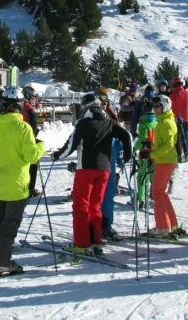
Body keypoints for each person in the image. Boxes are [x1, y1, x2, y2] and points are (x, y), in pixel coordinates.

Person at [0, 87, 44, 278]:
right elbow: (31, 156)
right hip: (16, 184)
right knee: (9, 225)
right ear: (20, 106)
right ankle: (1, 263)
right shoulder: (23, 127)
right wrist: (41, 145)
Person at [52, 92, 132, 254]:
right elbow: (127, 136)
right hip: (105, 170)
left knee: (81, 206)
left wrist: (56, 156)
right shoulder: (109, 122)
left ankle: (81, 244)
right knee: (95, 206)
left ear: (85, 107)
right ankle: (96, 240)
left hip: (86, 169)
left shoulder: (83, 123)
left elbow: (70, 146)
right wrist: (127, 155)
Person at [141, 95, 181, 236]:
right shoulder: (162, 121)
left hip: (166, 160)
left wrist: (151, 155)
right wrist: (148, 145)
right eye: (154, 107)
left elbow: (169, 146)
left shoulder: (166, 123)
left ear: (165, 106)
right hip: (163, 160)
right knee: (161, 193)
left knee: (156, 193)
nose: (155, 109)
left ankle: (163, 227)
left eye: (158, 106)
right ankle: (172, 224)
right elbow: (157, 138)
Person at [101, 134, 126, 241]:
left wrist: (121, 162)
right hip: (107, 170)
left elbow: (121, 150)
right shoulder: (114, 133)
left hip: (103, 170)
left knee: (105, 199)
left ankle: (105, 226)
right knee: (106, 198)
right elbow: (121, 150)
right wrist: (121, 162)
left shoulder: (114, 134)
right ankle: (103, 226)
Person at [133, 102, 157, 210]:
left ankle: (140, 199)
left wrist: (135, 148)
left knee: (142, 176)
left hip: (144, 153)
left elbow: (142, 139)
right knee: (153, 176)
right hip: (155, 153)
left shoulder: (143, 123)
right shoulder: (157, 122)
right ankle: (154, 197)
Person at [21, 85, 41, 196]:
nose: (34, 100)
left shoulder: (19, 105)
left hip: (18, 138)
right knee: (33, 164)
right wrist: (35, 134)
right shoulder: (28, 107)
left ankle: (22, 186)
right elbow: (33, 124)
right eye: (33, 97)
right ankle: (30, 188)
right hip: (28, 138)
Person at [169, 78, 188, 163]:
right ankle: (187, 153)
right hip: (186, 118)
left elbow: (170, 107)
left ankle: (178, 155)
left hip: (176, 118)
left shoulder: (172, 95)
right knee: (185, 136)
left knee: (177, 137)